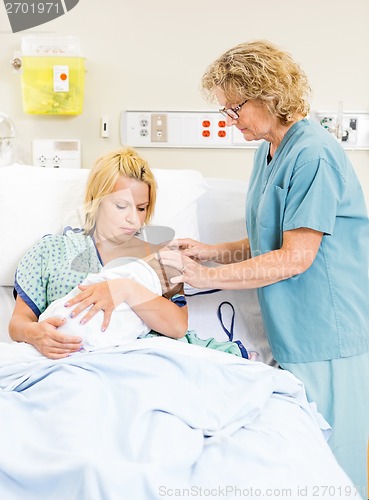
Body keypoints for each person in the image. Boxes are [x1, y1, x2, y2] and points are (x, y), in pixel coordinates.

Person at [159, 40, 369, 496]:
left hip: (327, 329)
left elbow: (297, 256)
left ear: (268, 96)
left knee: (334, 458)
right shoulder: (267, 151)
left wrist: (204, 278)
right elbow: (268, 239)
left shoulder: (313, 154)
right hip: (292, 327)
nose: (227, 120)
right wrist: (212, 252)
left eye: (234, 109)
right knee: (302, 456)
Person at [9, 147, 188, 358]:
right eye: (121, 206)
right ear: (97, 200)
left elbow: (178, 327)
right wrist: (35, 334)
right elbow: (18, 323)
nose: (134, 219)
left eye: (141, 208)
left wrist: (127, 288)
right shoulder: (52, 251)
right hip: (65, 361)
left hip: (143, 362)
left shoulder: (160, 259)